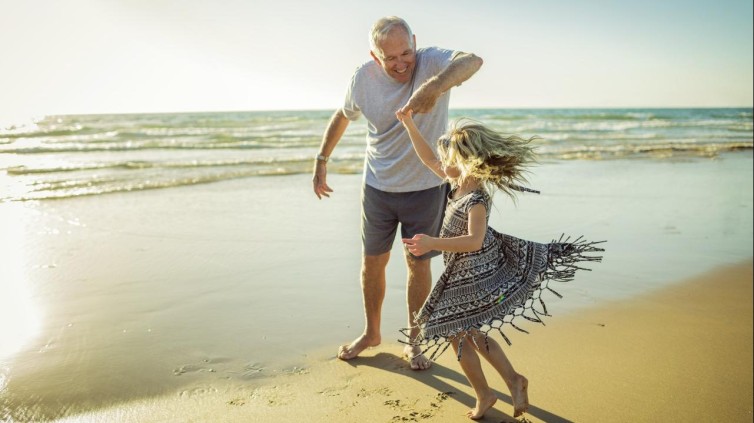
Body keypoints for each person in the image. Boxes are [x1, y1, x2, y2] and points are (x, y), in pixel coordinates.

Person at [395, 109, 604, 419]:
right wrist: (409, 124)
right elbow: (428, 159)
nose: (444, 161)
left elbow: (474, 241)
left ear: (465, 157)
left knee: (456, 333)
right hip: (459, 273)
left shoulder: (476, 197)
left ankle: (485, 393)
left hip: (471, 274)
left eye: (450, 154)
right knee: (469, 333)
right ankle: (510, 382)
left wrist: (431, 243)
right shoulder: (458, 181)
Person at [312, 16, 483, 370]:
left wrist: (433, 88)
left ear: (415, 43)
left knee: (417, 263)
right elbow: (343, 115)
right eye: (391, 58)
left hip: (426, 186)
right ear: (376, 57)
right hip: (377, 186)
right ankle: (371, 333)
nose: (402, 62)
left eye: (407, 52)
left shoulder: (433, 61)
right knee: (372, 261)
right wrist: (321, 158)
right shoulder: (362, 79)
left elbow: (473, 61)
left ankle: (414, 341)